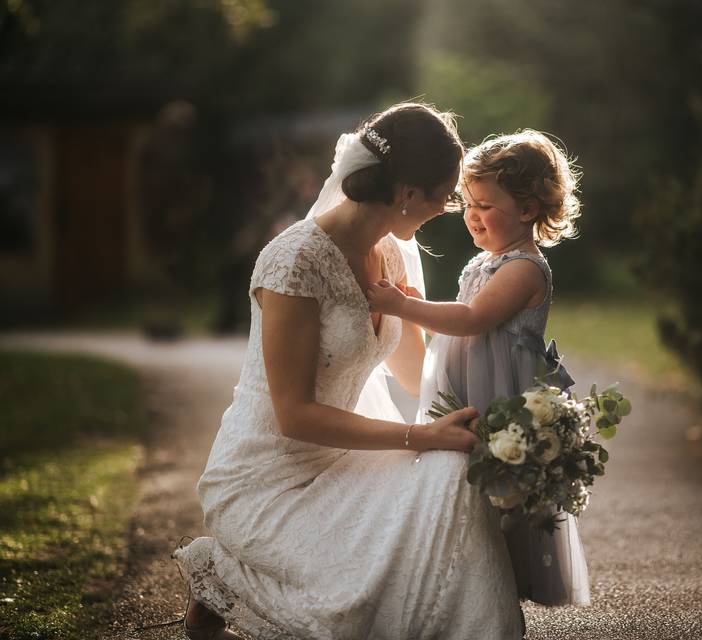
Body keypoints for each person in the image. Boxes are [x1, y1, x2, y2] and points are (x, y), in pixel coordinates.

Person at [174, 103, 524, 640]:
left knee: (456, 478)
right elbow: (293, 416)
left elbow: (417, 377)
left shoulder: (394, 255)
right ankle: (223, 570)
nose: (447, 209)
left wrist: (496, 423)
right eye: (444, 196)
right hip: (269, 477)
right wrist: (417, 436)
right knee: (353, 600)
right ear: (407, 194)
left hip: (348, 459)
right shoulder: (294, 262)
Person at [367, 130, 590, 607]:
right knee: (460, 487)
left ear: (528, 209)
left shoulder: (524, 268)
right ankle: (464, 582)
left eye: (485, 205)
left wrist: (402, 307)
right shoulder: (487, 261)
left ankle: (491, 593)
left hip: (499, 397)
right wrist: (416, 303)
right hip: (470, 385)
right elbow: (462, 312)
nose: (471, 214)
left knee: (494, 489)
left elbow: (471, 320)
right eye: (468, 202)